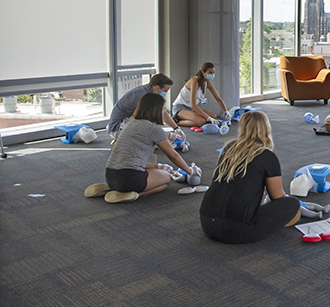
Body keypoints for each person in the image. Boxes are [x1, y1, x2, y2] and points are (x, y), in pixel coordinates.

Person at [199, 110, 301, 244]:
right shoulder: (267, 156)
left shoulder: (228, 148)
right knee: (293, 204)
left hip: (207, 223)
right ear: (266, 128)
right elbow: (277, 196)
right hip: (237, 231)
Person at [84, 93, 198, 203]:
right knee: (166, 179)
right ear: (156, 110)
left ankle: (112, 187)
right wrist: (190, 171)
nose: (164, 112)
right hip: (130, 178)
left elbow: (130, 159)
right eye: (162, 109)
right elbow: (173, 156)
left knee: (155, 171)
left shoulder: (130, 122)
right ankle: (133, 194)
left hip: (110, 174)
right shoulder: (154, 129)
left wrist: (158, 166)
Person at [107, 73, 180, 144]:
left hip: (126, 121)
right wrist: (169, 135)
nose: (165, 93)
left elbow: (162, 112)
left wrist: (176, 128)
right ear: (157, 88)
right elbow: (147, 125)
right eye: (165, 91)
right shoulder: (144, 97)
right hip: (117, 128)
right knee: (150, 140)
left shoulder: (148, 91)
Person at [172, 62, 230, 128]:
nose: (213, 74)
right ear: (203, 72)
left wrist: (226, 111)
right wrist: (208, 118)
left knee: (213, 116)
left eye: (214, 72)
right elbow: (193, 105)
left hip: (191, 109)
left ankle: (189, 118)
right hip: (181, 108)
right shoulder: (194, 81)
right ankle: (176, 121)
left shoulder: (207, 83)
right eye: (210, 72)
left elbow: (218, 99)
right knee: (201, 121)